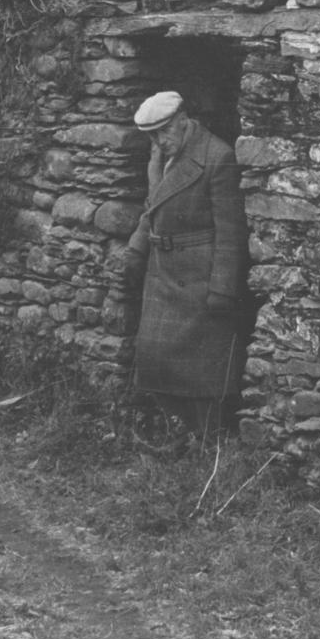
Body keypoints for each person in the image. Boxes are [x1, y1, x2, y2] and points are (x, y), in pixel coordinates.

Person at [121, 91, 249, 437]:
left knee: (204, 367)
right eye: (152, 135)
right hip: (163, 271)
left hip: (199, 274)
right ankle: (173, 433)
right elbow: (153, 208)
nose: (159, 141)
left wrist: (222, 287)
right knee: (158, 357)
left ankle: (208, 440)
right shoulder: (160, 157)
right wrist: (136, 250)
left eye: (164, 131)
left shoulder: (216, 156)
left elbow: (230, 230)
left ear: (183, 120)